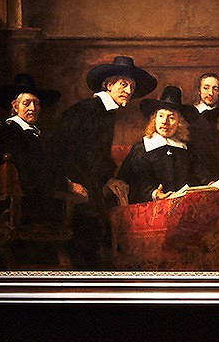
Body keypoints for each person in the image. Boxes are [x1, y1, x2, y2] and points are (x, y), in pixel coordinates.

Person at [56, 55, 157, 265]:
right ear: (109, 85)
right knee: (90, 229)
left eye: (132, 86)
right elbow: (68, 152)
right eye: (123, 84)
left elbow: (97, 156)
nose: (129, 91)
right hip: (72, 184)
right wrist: (70, 183)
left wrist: (109, 179)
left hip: (89, 181)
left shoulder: (105, 112)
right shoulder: (88, 110)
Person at [0, 73, 64, 224]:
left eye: (36, 103)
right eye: (27, 103)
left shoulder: (30, 133)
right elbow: (33, 170)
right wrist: (66, 185)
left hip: (31, 200)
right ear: (15, 107)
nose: (33, 108)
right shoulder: (10, 134)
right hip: (22, 206)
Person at [116, 86, 204, 203]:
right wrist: (154, 194)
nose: (165, 122)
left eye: (171, 117)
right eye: (161, 116)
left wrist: (212, 183)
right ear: (154, 119)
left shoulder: (187, 149)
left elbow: (201, 175)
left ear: (179, 123)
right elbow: (132, 183)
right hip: (151, 206)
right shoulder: (141, 149)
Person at [186, 71, 219, 177]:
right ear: (199, 91)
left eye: (215, 89)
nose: (210, 93)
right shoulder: (188, 113)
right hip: (194, 169)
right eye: (206, 88)